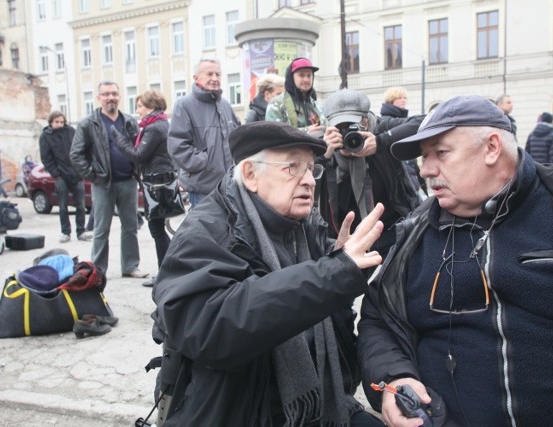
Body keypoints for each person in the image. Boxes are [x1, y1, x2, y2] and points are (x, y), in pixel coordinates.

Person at [357, 95, 553, 426]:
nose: (426, 170)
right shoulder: (415, 233)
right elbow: (378, 320)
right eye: (424, 158)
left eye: (440, 153)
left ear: (492, 148)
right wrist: (395, 379)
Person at [152, 121, 386, 426]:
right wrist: (334, 273)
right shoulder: (204, 232)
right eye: (292, 167)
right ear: (250, 174)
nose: (309, 181)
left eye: (312, 169)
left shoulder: (306, 229)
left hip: (321, 403)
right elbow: (211, 329)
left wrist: (340, 273)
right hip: (237, 411)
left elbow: (331, 330)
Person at [319, 88, 424, 256]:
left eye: (352, 126)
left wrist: (381, 141)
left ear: (366, 121)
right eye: (339, 127)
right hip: (343, 243)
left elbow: (427, 121)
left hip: (391, 234)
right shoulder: (322, 142)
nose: (346, 135)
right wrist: (322, 155)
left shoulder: (380, 128)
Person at [70, 80, 148, 278]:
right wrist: (92, 175)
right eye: (106, 94)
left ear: (119, 96)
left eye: (114, 93)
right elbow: (76, 154)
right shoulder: (89, 123)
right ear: (99, 98)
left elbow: (138, 149)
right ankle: (97, 270)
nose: (110, 97)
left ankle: (130, 266)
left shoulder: (129, 121)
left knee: (130, 226)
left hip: (128, 181)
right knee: (101, 229)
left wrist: (137, 171)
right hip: (102, 183)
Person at [111, 89, 173, 287]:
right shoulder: (159, 124)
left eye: (139, 106)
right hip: (160, 180)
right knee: (159, 229)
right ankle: (168, 270)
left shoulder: (155, 127)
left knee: (157, 229)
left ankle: (166, 273)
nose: (137, 110)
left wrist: (119, 140)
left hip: (157, 182)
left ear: (150, 106)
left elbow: (139, 155)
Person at [167, 58, 240, 209]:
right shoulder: (184, 104)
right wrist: (206, 161)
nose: (214, 79)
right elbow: (177, 145)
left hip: (228, 185)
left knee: (229, 230)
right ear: (196, 78)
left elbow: (237, 136)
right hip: (202, 188)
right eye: (209, 74)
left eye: (218, 74)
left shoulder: (225, 104)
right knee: (203, 232)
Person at [39, 111, 92, 243]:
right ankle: (66, 232)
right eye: (57, 122)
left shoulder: (71, 131)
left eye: (62, 122)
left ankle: (81, 231)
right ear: (51, 122)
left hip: (76, 173)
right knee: (63, 205)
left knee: (81, 204)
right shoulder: (46, 136)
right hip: (60, 175)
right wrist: (55, 174)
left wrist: (81, 168)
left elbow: (80, 150)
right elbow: (46, 158)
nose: (60, 124)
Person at [265, 57, 326, 136]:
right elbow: (273, 133)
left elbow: (325, 127)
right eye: (301, 75)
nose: (306, 79)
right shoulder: (277, 103)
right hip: (289, 148)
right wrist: (306, 131)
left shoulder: (315, 105)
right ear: (291, 77)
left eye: (309, 75)